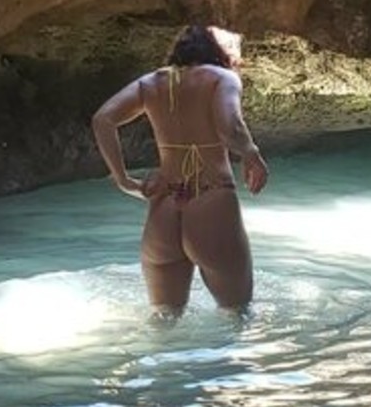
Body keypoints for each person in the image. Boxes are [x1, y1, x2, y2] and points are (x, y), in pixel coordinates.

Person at [91, 24, 269, 314]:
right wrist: (252, 153)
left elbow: (103, 119)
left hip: (164, 206)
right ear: (219, 49)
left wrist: (124, 181)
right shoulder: (222, 78)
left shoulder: (150, 83)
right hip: (210, 200)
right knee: (238, 314)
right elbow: (230, 127)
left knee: (164, 318)